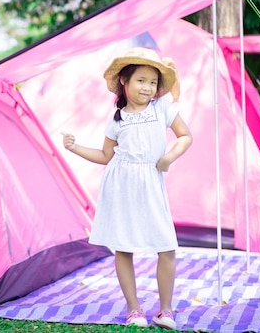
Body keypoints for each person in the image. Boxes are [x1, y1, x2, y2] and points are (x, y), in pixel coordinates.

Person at [61, 47, 192, 330]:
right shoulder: (117, 118)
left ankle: (165, 310)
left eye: (153, 82)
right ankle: (135, 309)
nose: (147, 87)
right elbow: (106, 156)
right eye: (141, 80)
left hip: (151, 182)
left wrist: (168, 157)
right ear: (124, 81)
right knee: (123, 247)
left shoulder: (162, 109)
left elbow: (185, 136)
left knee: (167, 246)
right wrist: (75, 147)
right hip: (120, 185)